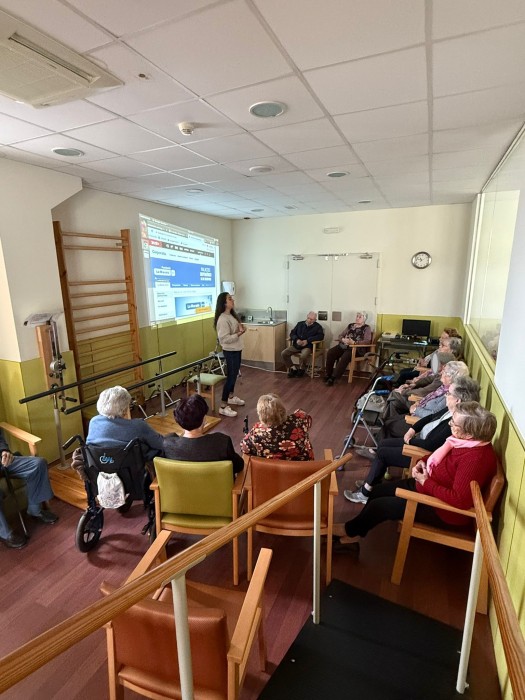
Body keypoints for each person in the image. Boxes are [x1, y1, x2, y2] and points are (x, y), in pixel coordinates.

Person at [335, 402, 498, 551]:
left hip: (441, 509)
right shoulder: (464, 442)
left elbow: (460, 500)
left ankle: (349, 531)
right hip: (428, 487)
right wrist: (422, 462)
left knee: (378, 506)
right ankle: (355, 532)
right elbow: (437, 457)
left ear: (469, 434)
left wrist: (426, 482)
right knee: (377, 491)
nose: (450, 424)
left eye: (454, 423)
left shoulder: (475, 459)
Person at [345, 377, 481, 504]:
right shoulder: (450, 410)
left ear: (458, 400)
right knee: (383, 444)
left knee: (383, 453)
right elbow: (430, 417)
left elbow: (431, 445)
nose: (445, 395)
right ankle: (372, 483)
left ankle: (365, 493)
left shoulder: (457, 422)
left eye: (449, 393)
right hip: (420, 440)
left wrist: (410, 441)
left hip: (421, 452)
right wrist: (413, 429)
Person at [0, 427, 58, 549]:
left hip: (2, 460)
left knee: (38, 464)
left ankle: (34, 509)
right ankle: (5, 533)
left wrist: (4, 450)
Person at [163, 394, 244, 477]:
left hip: (181, 485)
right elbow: (239, 466)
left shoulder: (168, 444)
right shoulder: (221, 442)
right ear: (204, 419)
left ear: (178, 420)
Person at [87, 386, 164, 461]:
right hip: (133, 467)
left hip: (101, 465)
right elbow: (162, 444)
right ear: (125, 410)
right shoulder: (138, 425)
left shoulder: (94, 422)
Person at [241, 393, 314, 460]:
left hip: (271, 469)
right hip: (303, 466)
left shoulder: (256, 432)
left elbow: (244, 448)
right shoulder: (300, 419)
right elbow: (306, 418)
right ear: (283, 409)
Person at [214, 292, 245, 417]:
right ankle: (223, 406)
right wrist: (239, 334)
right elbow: (224, 339)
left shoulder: (231, 315)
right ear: (224, 303)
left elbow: (234, 331)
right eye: (230, 299)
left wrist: (240, 330)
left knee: (234, 375)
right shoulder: (222, 319)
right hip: (230, 350)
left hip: (237, 348)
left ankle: (230, 397)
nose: (233, 300)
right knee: (230, 377)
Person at [394, 328, 462, 386]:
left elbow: (436, 372)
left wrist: (421, 367)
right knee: (403, 372)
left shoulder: (447, 357)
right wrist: (422, 362)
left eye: (443, 338)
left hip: (424, 371)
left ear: (450, 342)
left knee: (403, 374)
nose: (440, 339)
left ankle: (396, 389)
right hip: (424, 368)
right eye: (440, 337)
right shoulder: (441, 349)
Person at [325, 311, 372, 386]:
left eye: (360, 317)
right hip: (344, 346)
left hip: (356, 349)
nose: (357, 318)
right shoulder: (350, 325)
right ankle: (328, 374)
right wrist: (343, 339)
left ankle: (334, 377)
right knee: (331, 352)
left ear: (364, 319)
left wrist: (354, 343)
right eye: (357, 316)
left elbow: (367, 341)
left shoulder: (367, 328)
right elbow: (340, 335)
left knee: (346, 356)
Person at [281, 311, 324, 378]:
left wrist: (308, 341)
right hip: (297, 345)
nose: (309, 320)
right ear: (307, 317)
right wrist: (296, 339)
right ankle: (293, 368)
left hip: (307, 346)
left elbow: (320, 336)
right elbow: (292, 333)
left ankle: (301, 369)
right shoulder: (300, 324)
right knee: (284, 353)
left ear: (315, 320)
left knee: (303, 355)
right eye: (308, 318)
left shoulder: (318, 327)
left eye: (311, 319)